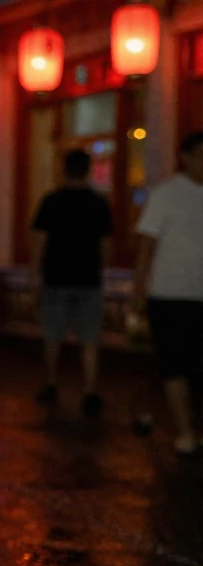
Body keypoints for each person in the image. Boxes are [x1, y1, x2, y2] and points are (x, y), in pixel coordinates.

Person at [134, 131, 203, 454]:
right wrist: (139, 288)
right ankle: (185, 431)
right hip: (169, 293)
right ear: (186, 158)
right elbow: (146, 244)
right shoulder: (166, 194)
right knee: (174, 364)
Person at [30, 149, 113, 416]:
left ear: (64, 170)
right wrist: (100, 268)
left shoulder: (51, 202)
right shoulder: (99, 204)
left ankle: (51, 383)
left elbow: (39, 241)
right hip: (88, 278)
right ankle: (90, 391)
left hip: (56, 277)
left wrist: (34, 276)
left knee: (52, 336)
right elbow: (106, 245)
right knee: (89, 339)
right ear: (88, 171)